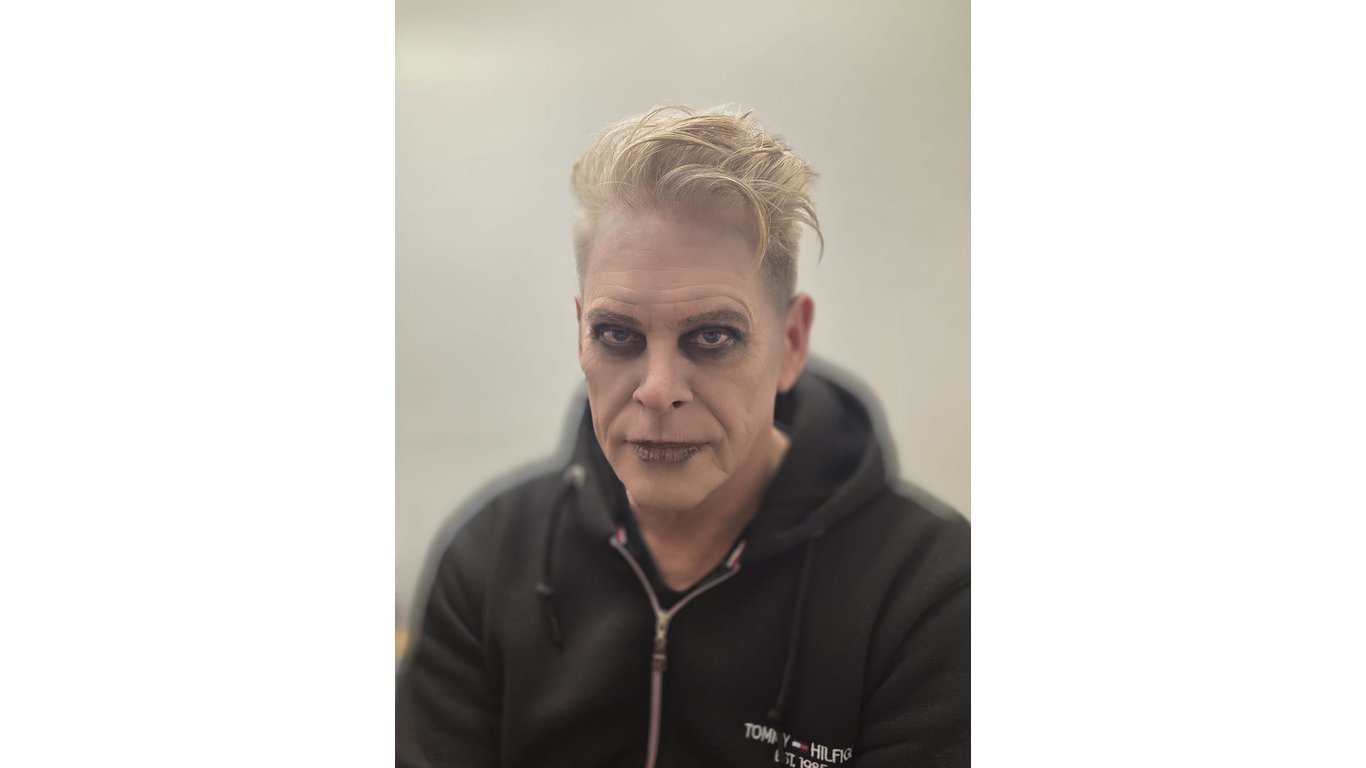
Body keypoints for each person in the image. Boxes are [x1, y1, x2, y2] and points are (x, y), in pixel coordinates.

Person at [396, 105, 970, 767]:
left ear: (790, 342)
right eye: (618, 335)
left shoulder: (933, 598)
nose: (657, 389)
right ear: (581, 333)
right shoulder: (491, 558)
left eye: (712, 337)